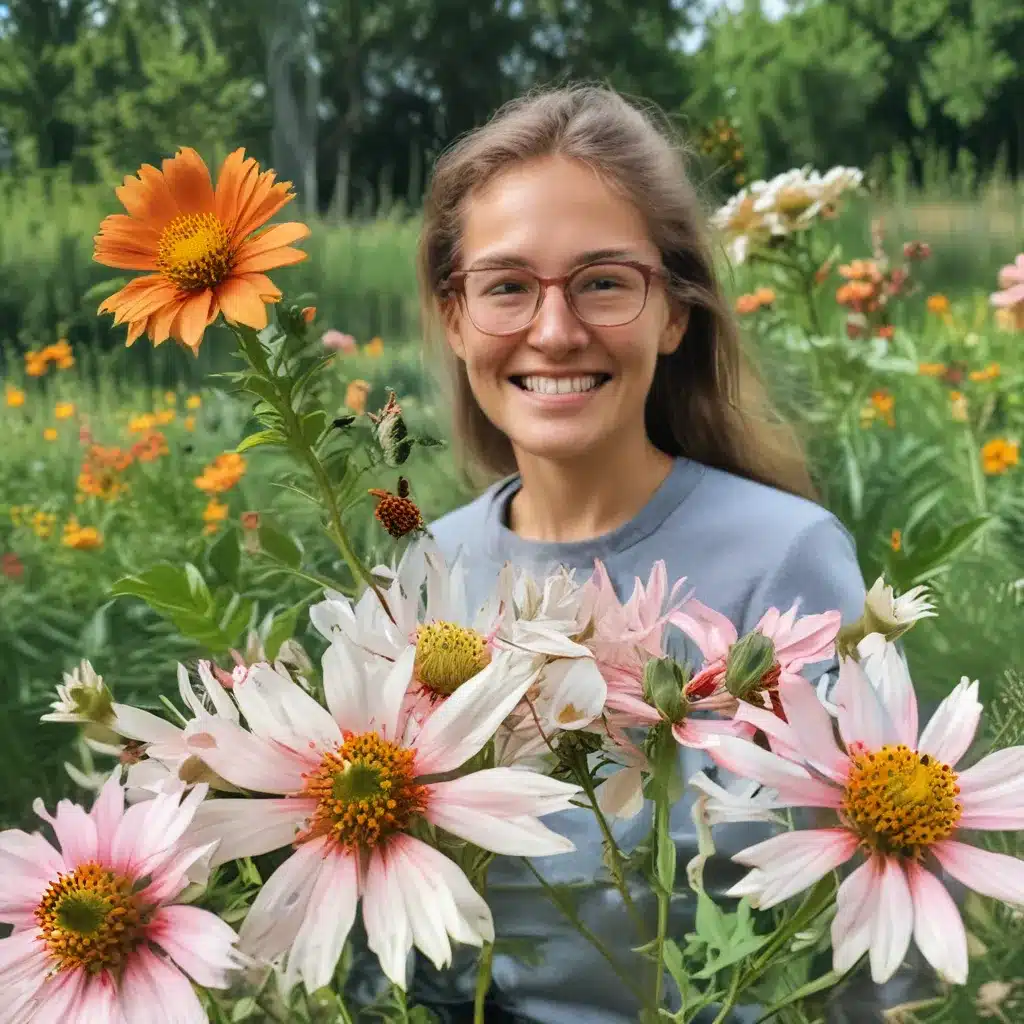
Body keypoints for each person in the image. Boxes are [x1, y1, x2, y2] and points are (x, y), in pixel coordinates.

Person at [401, 83, 876, 1022]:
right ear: (456, 321)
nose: (555, 330)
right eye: (506, 286)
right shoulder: (422, 576)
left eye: (604, 281)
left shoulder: (788, 559)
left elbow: (866, 927)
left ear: (674, 313)